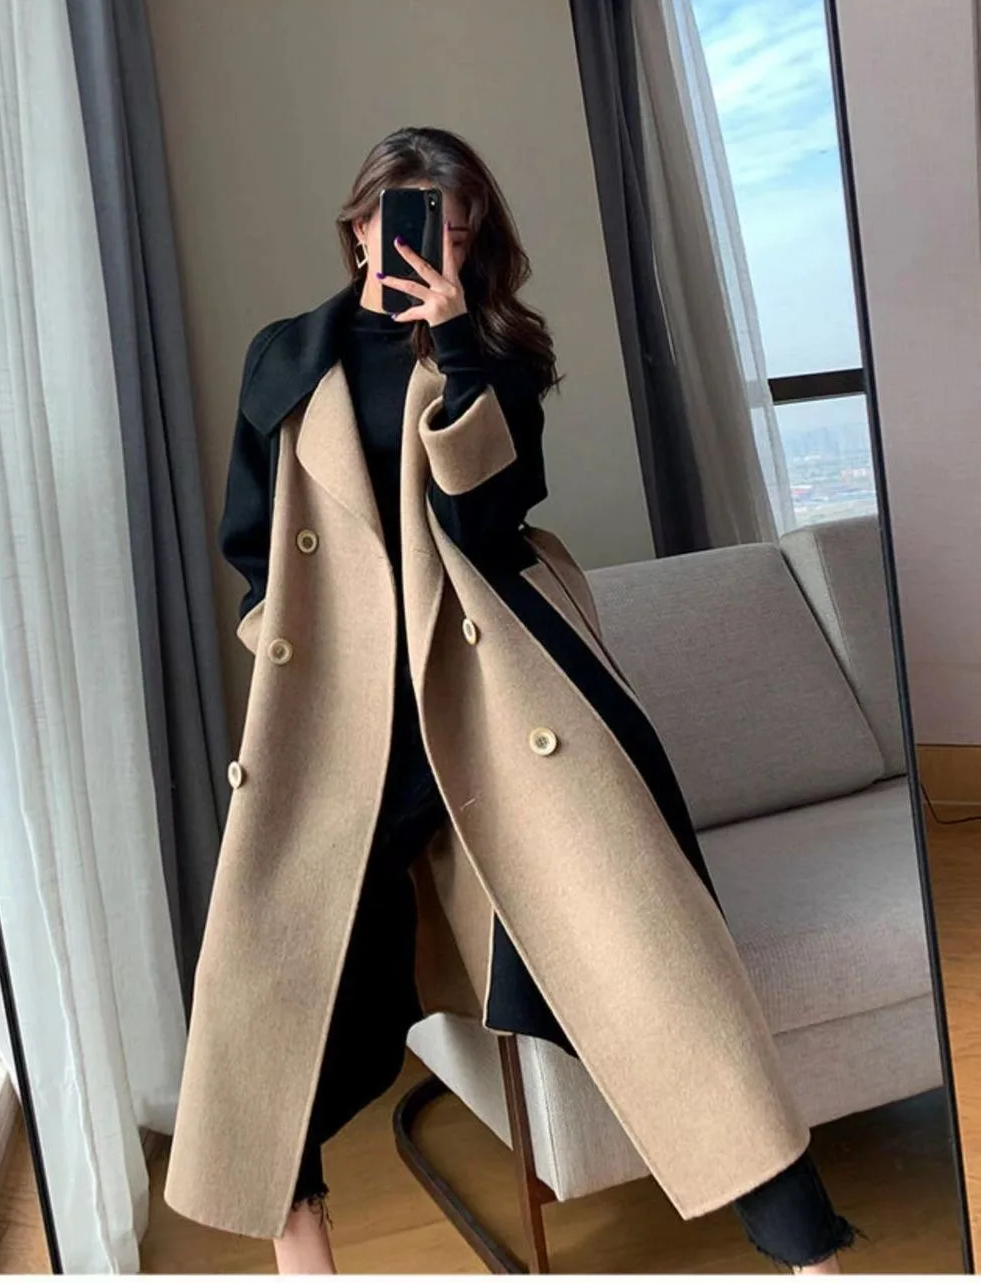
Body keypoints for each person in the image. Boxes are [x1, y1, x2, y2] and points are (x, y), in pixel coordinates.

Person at [162, 127, 862, 1275]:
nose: (427, 241)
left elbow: (485, 524)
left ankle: (806, 1248)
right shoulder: (284, 357)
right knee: (282, 977)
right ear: (357, 226)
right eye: (405, 217)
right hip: (342, 709)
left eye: (453, 226)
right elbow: (253, 536)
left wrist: (454, 345)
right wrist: (277, 636)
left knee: (650, 958)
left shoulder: (494, 351)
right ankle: (300, 1235)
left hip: (496, 686)